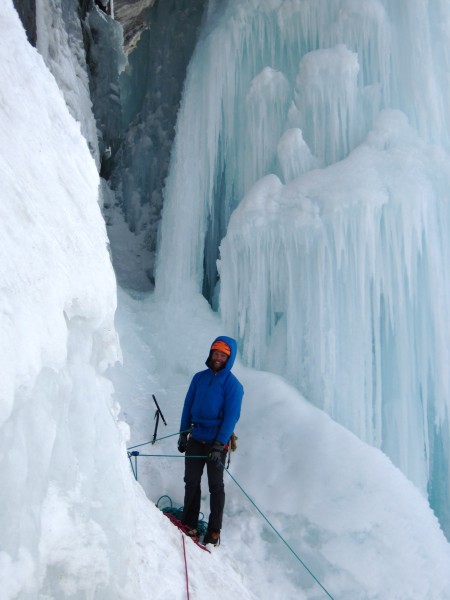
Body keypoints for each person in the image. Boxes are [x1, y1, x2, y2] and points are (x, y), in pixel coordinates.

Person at [177, 336, 244, 546]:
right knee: (191, 482)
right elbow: (188, 405)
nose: (218, 358)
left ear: (228, 359)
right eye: (216, 354)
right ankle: (189, 523)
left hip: (217, 441)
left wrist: (219, 443)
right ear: (210, 354)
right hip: (197, 437)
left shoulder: (233, 386)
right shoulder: (199, 378)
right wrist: (183, 433)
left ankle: (214, 531)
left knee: (215, 486)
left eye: (223, 356)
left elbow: (231, 417)